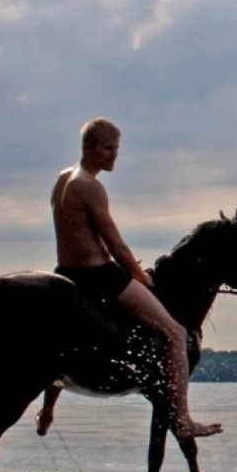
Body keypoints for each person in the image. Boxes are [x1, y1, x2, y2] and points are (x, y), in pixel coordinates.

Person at [38, 117, 221, 442]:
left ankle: (48, 408)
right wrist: (141, 277)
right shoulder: (90, 186)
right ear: (89, 147)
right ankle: (183, 419)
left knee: (56, 341)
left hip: (66, 272)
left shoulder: (63, 178)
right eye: (108, 149)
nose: (114, 156)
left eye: (117, 149)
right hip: (98, 275)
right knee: (176, 332)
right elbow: (116, 245)